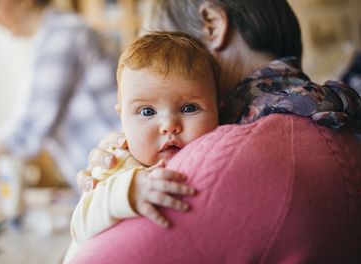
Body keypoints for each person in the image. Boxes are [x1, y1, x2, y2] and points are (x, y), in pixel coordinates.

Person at [74, 0, 361, 263]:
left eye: (171, 47)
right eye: (147, 110)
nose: (168, 125)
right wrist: (114, 184)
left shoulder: (226, 160)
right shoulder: (331, 121)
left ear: (212, 24)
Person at [65, 31, 220, 263]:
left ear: (220, 110)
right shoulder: (119, 163)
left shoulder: (216, 156)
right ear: (122, 119)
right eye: (147, 112)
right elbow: (79, 226)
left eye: (189, 108)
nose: (169, 126)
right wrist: (127, 191)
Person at [0, 0, 119, 191]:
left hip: (116, 172)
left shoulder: (62, 34)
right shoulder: (52, 37)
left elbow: (27, 129)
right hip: (109, 177)